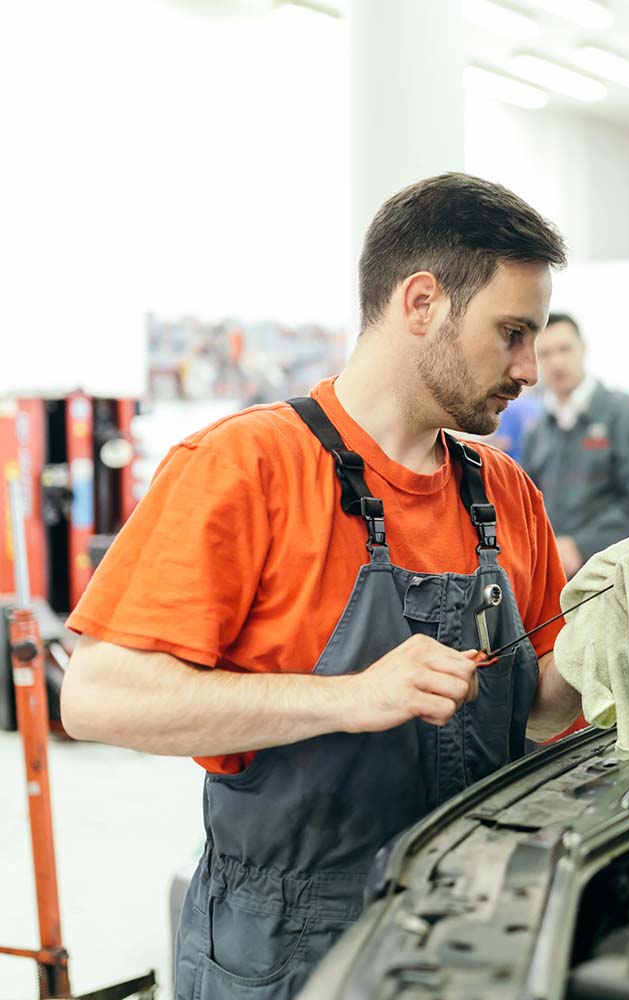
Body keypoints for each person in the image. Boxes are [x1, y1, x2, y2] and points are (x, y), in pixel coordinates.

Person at [60, 174, 583, 999]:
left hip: (476, 929)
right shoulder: (247, 467)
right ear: (422, 302)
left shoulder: (506, 493)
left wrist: (613, 640)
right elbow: (97, 697)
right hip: (286, 945)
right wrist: (345, 698)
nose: (529, 366)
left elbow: (548, 713)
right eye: (511, 332)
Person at [521, 314, 629, 578]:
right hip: (559, 580)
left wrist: (580, 546)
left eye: (565, 349)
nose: (557, 362)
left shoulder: (623, 413)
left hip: (617, 578)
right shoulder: (538, 430)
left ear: (583, 349)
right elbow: (527, 507)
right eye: (545, 354)